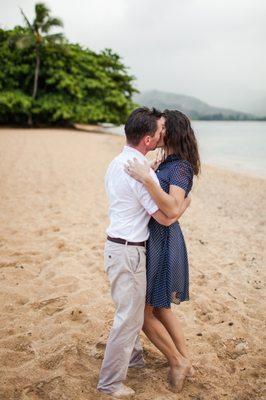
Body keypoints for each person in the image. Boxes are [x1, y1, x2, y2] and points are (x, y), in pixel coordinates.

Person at [97, 107, 191, 398]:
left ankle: (137, 358)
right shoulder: (141, 171)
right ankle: (111, 383)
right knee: (131, 316)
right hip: (130, 250)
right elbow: (165, 217)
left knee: (134, 309)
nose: (163, 133)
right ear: (149, 140)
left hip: (116, 246)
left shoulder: (117, 162)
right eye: (159, 130)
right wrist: (184, 205)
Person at [124, 109, 201, 392]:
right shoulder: (166, 162)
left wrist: (147, 178)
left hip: (163, 240)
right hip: (156, 236)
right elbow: (177, 207)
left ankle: (177, 360)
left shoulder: (180, 167)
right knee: (161, 307)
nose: (158, 128)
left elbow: (171, 208)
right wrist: (154, 174)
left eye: (163, 126)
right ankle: (186, 361)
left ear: (173, 132)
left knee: (146, 314)